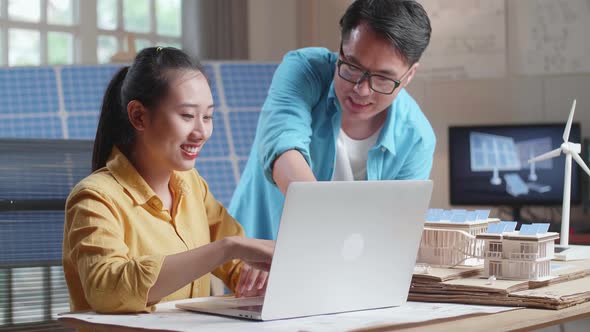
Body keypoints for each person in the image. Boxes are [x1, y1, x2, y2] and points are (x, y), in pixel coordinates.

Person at [62, 47, 273, 314]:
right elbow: (107, 288)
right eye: (187, 115)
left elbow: (240, 264)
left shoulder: (192, 184)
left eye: (207, 116)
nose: (201, 132)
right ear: (138, 116)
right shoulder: (94, 198)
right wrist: (226, 249)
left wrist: (255, 273)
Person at [229, 0, 435, 240]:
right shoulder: (304, 70)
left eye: (382, 79)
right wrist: (334, 235)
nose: (362, 89)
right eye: (352, 67)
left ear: (409, 75)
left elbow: (393, 231)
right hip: (250, 256)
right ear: (340, 50)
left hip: (341, 269)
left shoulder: (416, 138)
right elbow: (282, 149)